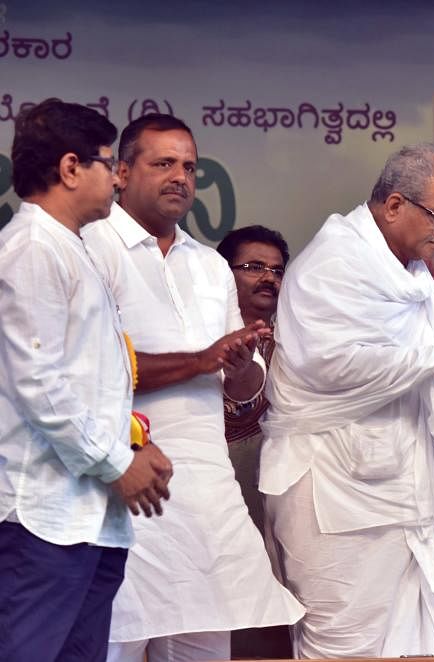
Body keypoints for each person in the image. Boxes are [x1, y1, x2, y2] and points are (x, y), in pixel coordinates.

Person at [260, 143, 434, 658]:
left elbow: (400, 384)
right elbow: (332, 366)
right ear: (395, 205)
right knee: (343, 647)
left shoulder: (413, 272)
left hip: (396, 495)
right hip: (333, 493)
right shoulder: (333, 262)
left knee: (421, 648)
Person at [81, 114, 303, 662]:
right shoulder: (91, 246)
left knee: (205, 648)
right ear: (121, 172)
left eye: (189, 166)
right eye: (164, 164)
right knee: (113, 644)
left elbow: (240, 386)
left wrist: (240, 363)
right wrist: (202, 359)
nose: (180, 177)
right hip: (119, 485)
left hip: (206, 497)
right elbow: (94, 367)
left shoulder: (209, 266)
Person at [0, 98, 173, 662]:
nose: (117, 181)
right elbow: (39, 384)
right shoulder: (30, 248)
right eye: (106, 163)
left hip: (88, 513)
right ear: (70, 168)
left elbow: (85, 380)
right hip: (44, 519)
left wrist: (135, 444)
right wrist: (118, 461)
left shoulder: (70, 246)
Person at [214, 224, 293, 659]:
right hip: (224, 499)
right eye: (253, 267)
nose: (269, 278)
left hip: (285, 502)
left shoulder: (298, 344)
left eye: (278, 270)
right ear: (224, 276)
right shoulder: (203, 341)